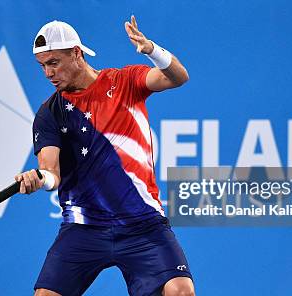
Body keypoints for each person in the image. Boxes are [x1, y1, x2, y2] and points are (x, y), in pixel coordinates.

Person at [15, 16, 194, 296]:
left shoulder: (125, 82)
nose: (48, 73)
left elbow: (178, 77)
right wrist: (39, 178)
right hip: (84, 226)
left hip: (142, 223)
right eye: (42, 66)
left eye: (53, 63)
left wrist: (151, 50)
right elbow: (50, 172)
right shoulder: (50, 113)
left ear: (76, 53)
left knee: (181, 291)